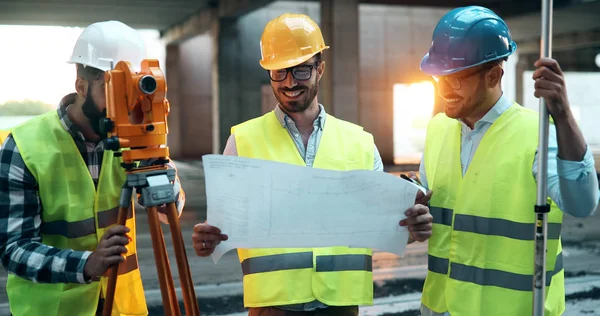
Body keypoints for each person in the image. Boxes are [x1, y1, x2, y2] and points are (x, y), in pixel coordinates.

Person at [192, 13, 433, 316]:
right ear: (269, 73)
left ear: (320, 68)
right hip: (273, 306)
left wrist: (412, 228)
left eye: (302, 70)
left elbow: (384, 228)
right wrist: (208, 240)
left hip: (341, 305)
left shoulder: (359, 143)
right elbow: (223, 228)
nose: (290, 82)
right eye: (281, 71)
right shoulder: (242, 142)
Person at [414, 6, 599, 316]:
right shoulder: (437, 129)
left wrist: (563, 114)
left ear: (494, 75)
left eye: (456, 78)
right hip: (440, 309)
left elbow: (582, 203)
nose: (444, 90)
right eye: (439, 78)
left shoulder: (536, 133)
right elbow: (434, 218)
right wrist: (415, 220)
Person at [0, 20, 185, 316]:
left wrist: (161, 168)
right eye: (113, 88)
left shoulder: (133, 135)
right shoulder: (23, 148)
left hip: (123, 308)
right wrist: (86, 264)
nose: (125, 103)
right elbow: (14, 249)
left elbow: (170, 205)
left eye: (131, 88)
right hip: (55, 309)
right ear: (81, 86)